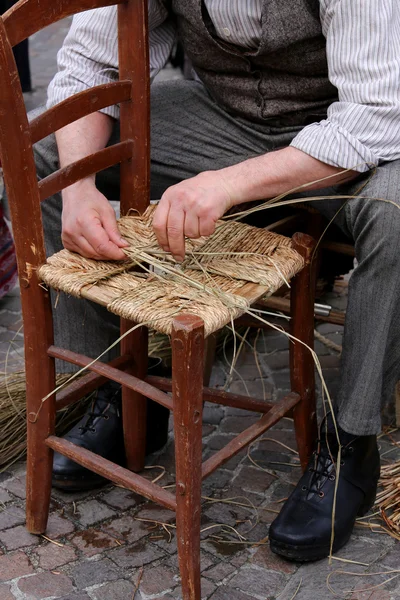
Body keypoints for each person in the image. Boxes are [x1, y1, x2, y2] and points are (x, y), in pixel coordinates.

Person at [31, 0, 399, 561]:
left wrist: (226, 186)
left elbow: (372, 116)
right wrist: (79, 188)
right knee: (52, 159)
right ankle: (126, 388)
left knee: (395, 213)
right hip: (225, 120)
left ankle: (350, 443)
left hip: (347, 132)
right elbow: (90, 63)